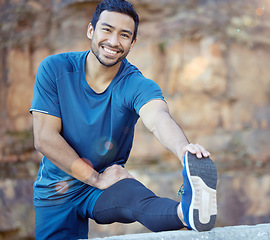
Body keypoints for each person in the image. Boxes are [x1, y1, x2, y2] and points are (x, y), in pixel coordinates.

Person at [30, 0, 217, 239]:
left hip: (105, 185)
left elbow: (158, 118)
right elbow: (44, 138)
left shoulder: (135, 83)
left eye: (124, 35)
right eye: (106, 30)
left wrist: (185, 152)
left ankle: (186, 213)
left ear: (133, 43)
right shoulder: (55, 69)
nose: (114, 42)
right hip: (57, 190)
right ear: (91, 30)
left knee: (138, 201)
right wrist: (95, 178)